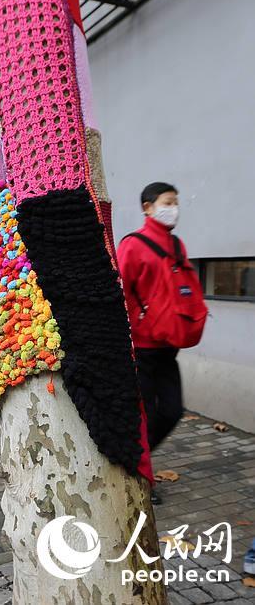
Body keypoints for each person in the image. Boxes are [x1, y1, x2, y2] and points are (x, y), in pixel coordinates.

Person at [118, 182, 207, 504]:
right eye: (168, 202)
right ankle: (141, 478)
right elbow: (120, 292)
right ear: (148, 207)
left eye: (176, 202)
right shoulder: (133, 245)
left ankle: (135, 460)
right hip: (140, 349)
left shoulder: (177, 245)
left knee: (171, 412)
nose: (174, 208)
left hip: (168, 347)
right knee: (144, 417)